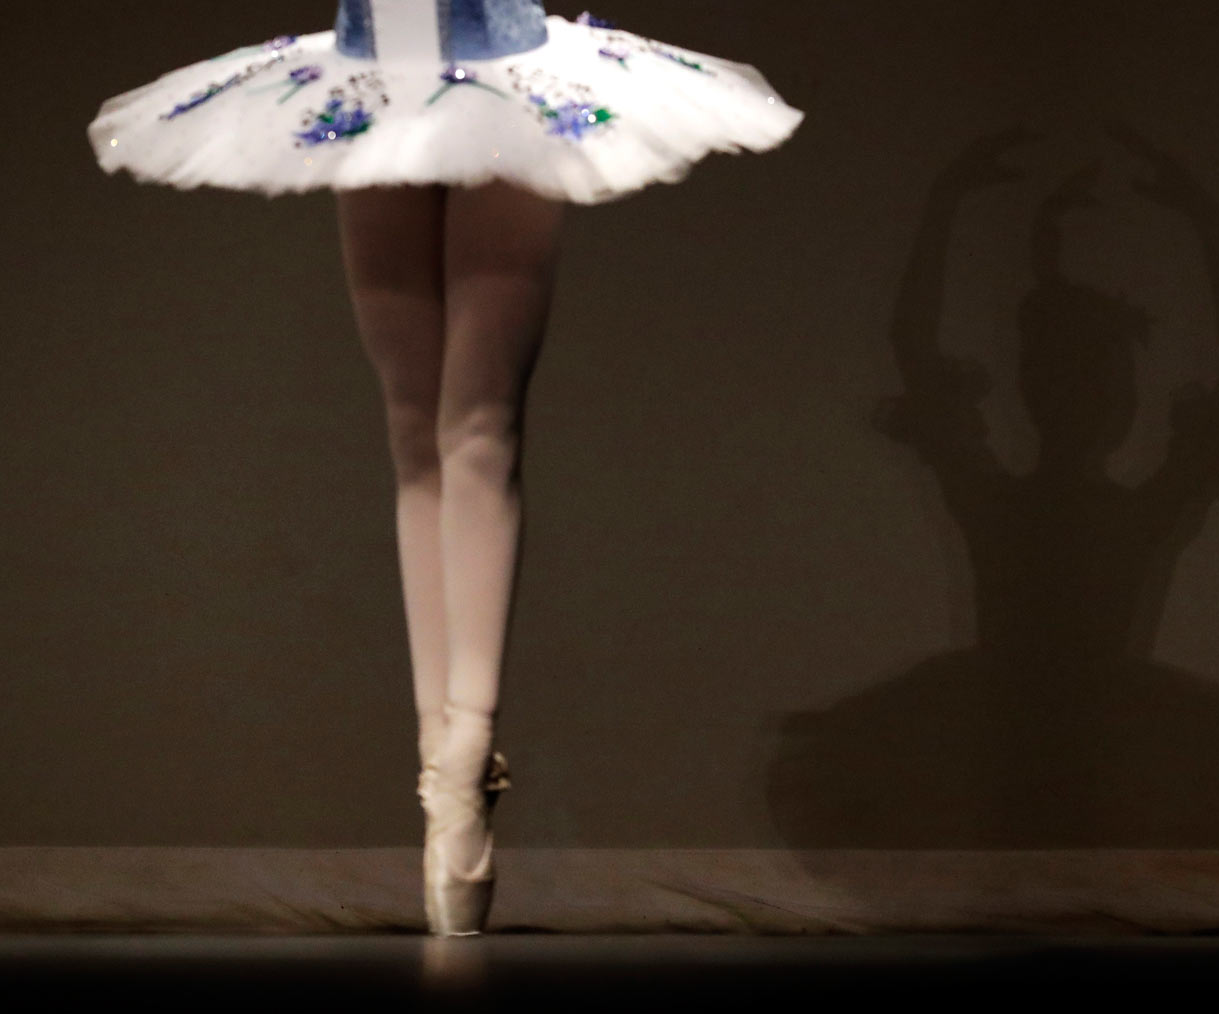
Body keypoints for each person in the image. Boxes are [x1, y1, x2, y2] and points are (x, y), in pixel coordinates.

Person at [85, 0, 804, 936]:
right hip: (377, 59)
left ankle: (468, 759)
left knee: (479, 425)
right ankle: (442, 774)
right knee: (413, 430)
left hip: (501, 69)